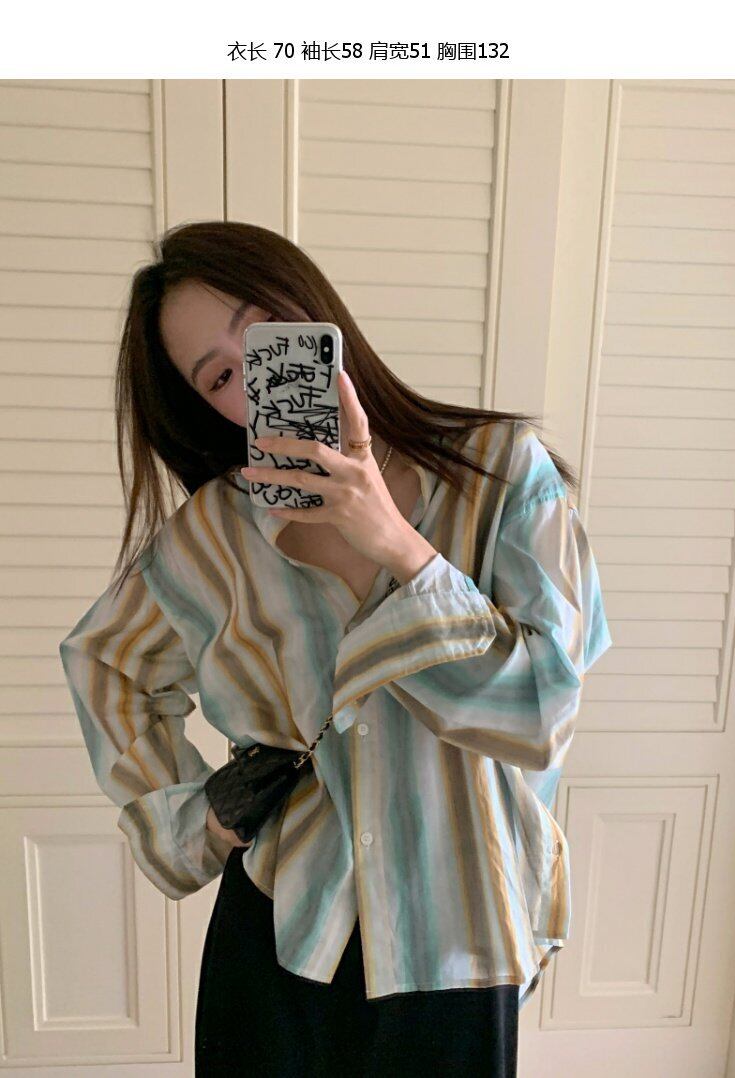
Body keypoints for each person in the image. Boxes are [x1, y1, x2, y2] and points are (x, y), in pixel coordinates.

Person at [58, 220, 612, 1077]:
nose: (256, 376)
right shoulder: (215, 534)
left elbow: (541, 713)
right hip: (283, 925)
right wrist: (198, 819)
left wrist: (392, 543)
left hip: (456, 936)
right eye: (220, 375)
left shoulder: (501, 475)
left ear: (312, 312)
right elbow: (108, 662)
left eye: (263, 332)